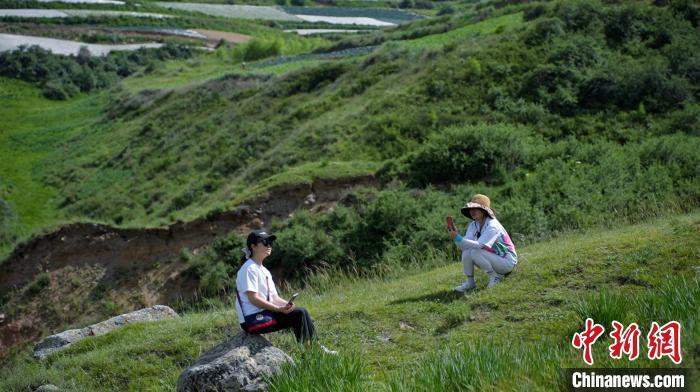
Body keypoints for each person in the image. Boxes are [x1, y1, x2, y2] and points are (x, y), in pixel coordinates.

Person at [235, 229, 336, 354]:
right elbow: (253, 299)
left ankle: (314, 347)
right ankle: (311, 352)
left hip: (265, 313)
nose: (269, 246)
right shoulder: (249, 268)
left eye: (270, 243)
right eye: (265, 242)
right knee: (298, 314)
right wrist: (277, 309)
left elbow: (274, 297)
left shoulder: (263, 270)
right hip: (252, 320)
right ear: (253, 246)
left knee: (300, 311)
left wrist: (286, 305)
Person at [447, 194, 517, 291]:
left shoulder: (493, 225)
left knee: (476, 251)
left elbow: (480, 245)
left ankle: (495, 277)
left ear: (484, 210)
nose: (472, 211)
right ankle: (470, 282)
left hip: (506, 261)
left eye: (476, 208)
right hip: (493, 258)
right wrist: (455, 237)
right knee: (468, 251)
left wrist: (459, 238)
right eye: (470, 209)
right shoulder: (473, 225)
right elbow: (464, 247)